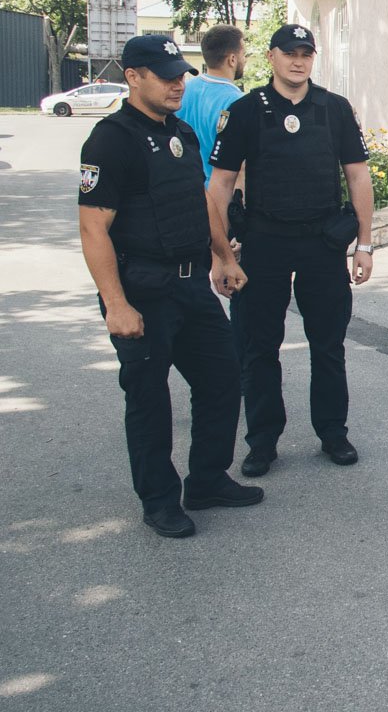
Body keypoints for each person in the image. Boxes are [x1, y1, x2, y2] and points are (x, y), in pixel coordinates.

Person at [78, 34, 263, 539]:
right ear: (133, 77)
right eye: (165, 76)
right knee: (149, 399)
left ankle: (205, 480)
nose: (178, 83)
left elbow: (201, 200)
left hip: (190, 286)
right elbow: (93, 227)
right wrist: (116, 304)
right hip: (141, 289)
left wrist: (223, 256)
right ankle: (159, 500)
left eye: (181, 73)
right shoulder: (110, 140)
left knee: (223, 379)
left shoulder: (182, 132)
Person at [207, 24, 373, 478]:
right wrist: (221, 255)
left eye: (306, 53)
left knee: (329, 344)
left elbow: (358, 176)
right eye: (289, 52)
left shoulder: (334, 110)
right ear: (272, 56)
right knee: (259, 348)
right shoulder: (245, 111)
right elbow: (219, 185)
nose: (298, 61)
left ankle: (332, 432)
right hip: (264, 243)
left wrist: (365, 243)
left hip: (322, 242)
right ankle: (262, 441)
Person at [177, 24, 246, 186]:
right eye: (244, 54)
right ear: (232, 59)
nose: (245, 60)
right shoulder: (238, 102)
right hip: (218, 193)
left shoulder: (181, 91)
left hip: (183, 189)